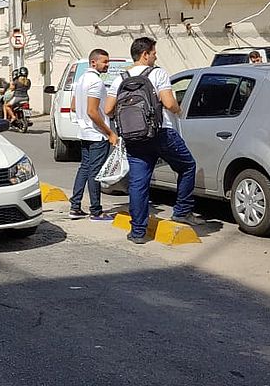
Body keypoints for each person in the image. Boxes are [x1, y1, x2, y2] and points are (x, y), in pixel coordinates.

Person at [105, 37, 200, 243]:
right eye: (154, 52)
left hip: (133, 138)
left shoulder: (120, 78)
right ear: (145, 54)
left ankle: (138, 232)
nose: (156, 56)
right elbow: (168, 102)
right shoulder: (158, 73)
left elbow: (108, 109)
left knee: (139, 184)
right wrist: (178, 109)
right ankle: (182, 211)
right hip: (161, 133)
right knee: (187, 166)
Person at [68, 49, 118, 222]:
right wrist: (109, 132)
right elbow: (92, 111)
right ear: (93, 63)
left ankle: (75, 206)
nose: (107, 65)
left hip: (84, 132)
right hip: (97, 135)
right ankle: (96, 211)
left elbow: (74, 106)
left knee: (85, 168)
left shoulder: (81, 80)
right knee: (95, 172)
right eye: (104, 61)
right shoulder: (96, 82)